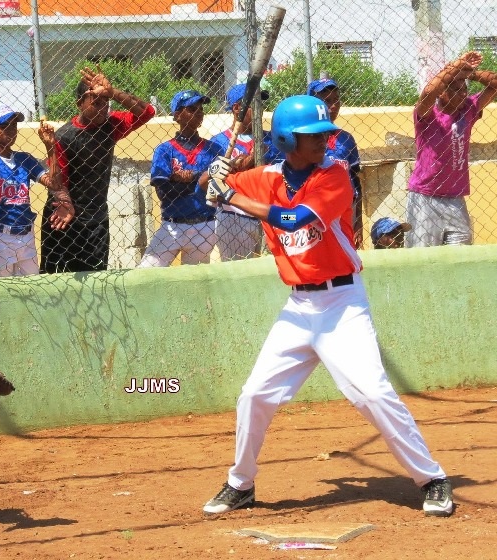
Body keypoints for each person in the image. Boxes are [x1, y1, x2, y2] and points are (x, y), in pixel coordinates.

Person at [202, 95, 453, 518]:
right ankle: (239, 483)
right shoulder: (264, 176)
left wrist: (230, 195)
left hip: (342, 303)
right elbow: (208, 193)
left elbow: (291, 219)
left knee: (372, 392)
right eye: (312, 136)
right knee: (254, 395)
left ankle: (432, 477)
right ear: (285, 139)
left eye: (324, 134)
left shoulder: (335, 174)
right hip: (298, 308)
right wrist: (214, 175)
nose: (325, 140)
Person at [40, 66, 155, 273]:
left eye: (105, 102)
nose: (102, 108)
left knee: (95, 279)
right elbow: (59, 182)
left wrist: (114, 92)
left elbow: (147, 112)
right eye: (96, 102)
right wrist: (66, 203)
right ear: (80, 104)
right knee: (57, 282)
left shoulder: (111, 125)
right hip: (64, 216)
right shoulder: (64, 137)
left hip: (96, 220)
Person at [0, 102, 74, 278]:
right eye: (3, 126)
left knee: (32, 288)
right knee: (0, 291)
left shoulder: (25, 159)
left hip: (26, 235)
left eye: (13, 126)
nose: (10, 130)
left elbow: (54, 184)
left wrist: (50, 146)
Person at [406, 51, 497, 247]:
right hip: (425, 197)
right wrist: (454, 67)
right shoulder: (427, 115)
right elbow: (429, 92)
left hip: (455, 198)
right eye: (455, 89)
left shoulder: (469, 109)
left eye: (464, 88)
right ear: (442, 93)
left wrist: (469, 73)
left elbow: (494, 85)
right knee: (423, 259)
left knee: (461, 253)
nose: (463, 93)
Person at [138, 91, 219, 267]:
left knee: (195, 280)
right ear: (177, 115)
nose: (198, 113)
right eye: (191, 108)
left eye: (200, 109)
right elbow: (163, 192)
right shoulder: (165, 150)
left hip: (204, 224)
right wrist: (200, 179)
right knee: (146, 270)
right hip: (171, 225)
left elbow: (216, 189)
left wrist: (186, 179)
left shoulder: (213, 149)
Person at [209, 84, 280, 261]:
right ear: (237, 108)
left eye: (260, 104)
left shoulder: (272, 139)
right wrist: (243, 164)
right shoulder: (219, 142)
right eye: (254, 105)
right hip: (235, 215)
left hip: (269, 213)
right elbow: (214, 183)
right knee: (237, 271)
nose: (260, 110)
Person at [307, 77, 364, 248]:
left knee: (346, 253)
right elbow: (288, 217)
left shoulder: (346, 139)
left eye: (336, 99)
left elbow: (356, 181)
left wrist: (359, 221)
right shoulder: (303, 139)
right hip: (314, 208)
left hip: (345, 209)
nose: (334, 105)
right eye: (327, 101)